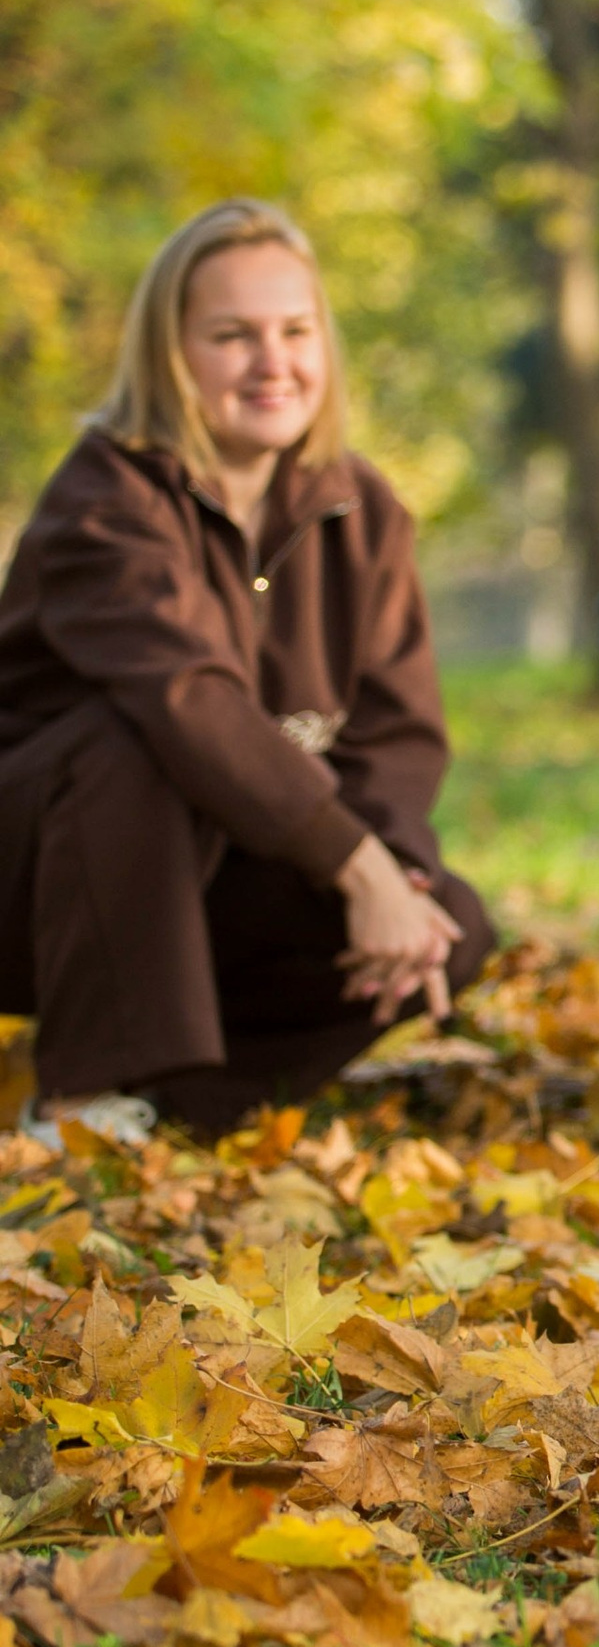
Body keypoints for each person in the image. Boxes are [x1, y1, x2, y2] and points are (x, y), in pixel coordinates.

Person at [0, 200, 494, 1136]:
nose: (274, 363)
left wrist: (397, 871)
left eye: (295, 331)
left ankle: (184, 1110)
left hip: (207, 885)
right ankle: (83, 1099)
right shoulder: (104, 500)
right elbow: (190, 701)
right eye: (232, 336)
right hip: (39, 883)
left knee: (452, 925)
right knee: (137, 745)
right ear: (170, 354)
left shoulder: (363, 508)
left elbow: (394, 733)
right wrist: (354, 864)